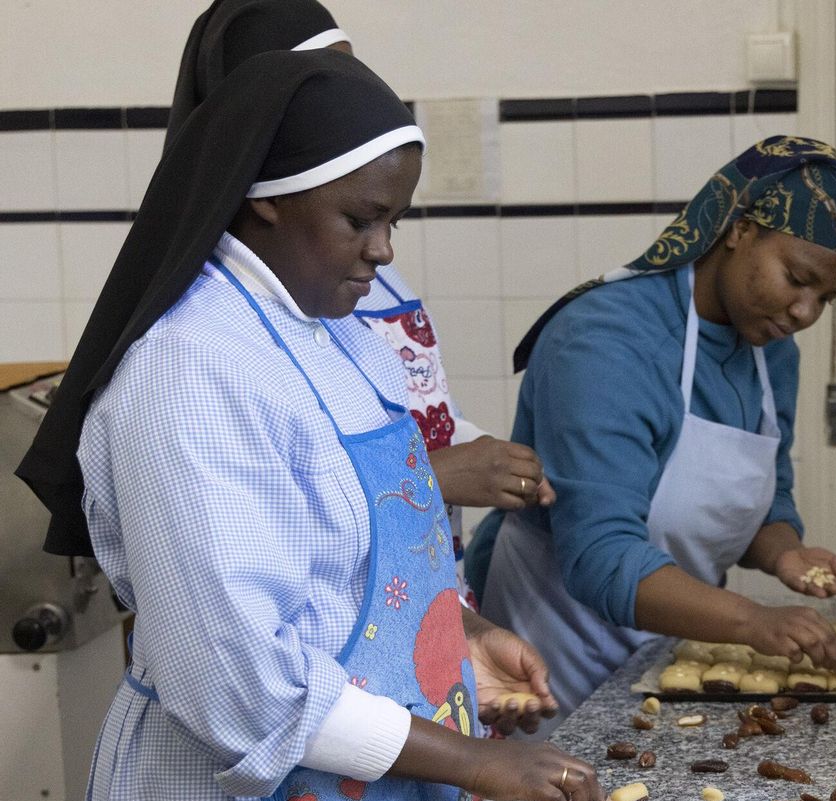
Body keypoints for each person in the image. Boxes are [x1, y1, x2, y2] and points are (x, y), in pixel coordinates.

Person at [16, 51, 599, 801]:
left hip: (380, 794)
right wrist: (480, 762)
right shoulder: (191, 372)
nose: (381, 251)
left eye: (394, 220)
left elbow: (353, 556)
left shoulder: (336, 331)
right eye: (360, 219)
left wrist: (456, 644)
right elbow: (238, 684)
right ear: (266, 195)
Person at [169, 0, 556, 619]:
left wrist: (485, 453)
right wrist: (436, 474)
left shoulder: (359, 261)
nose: (343, 99)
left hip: (407, 590)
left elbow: (413, 409)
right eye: (313, 86)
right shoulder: (199, 343)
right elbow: (279, 521)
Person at [473, 137, 836, 724]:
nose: (805, 313)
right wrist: (751, 621)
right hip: (552, 657)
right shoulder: (606, 341)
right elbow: (600, 557)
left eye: (827, 298)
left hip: (669, 655)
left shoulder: (770, 351)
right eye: (796, 278)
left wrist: (784, 553)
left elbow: (766, 494)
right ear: (738, 229)